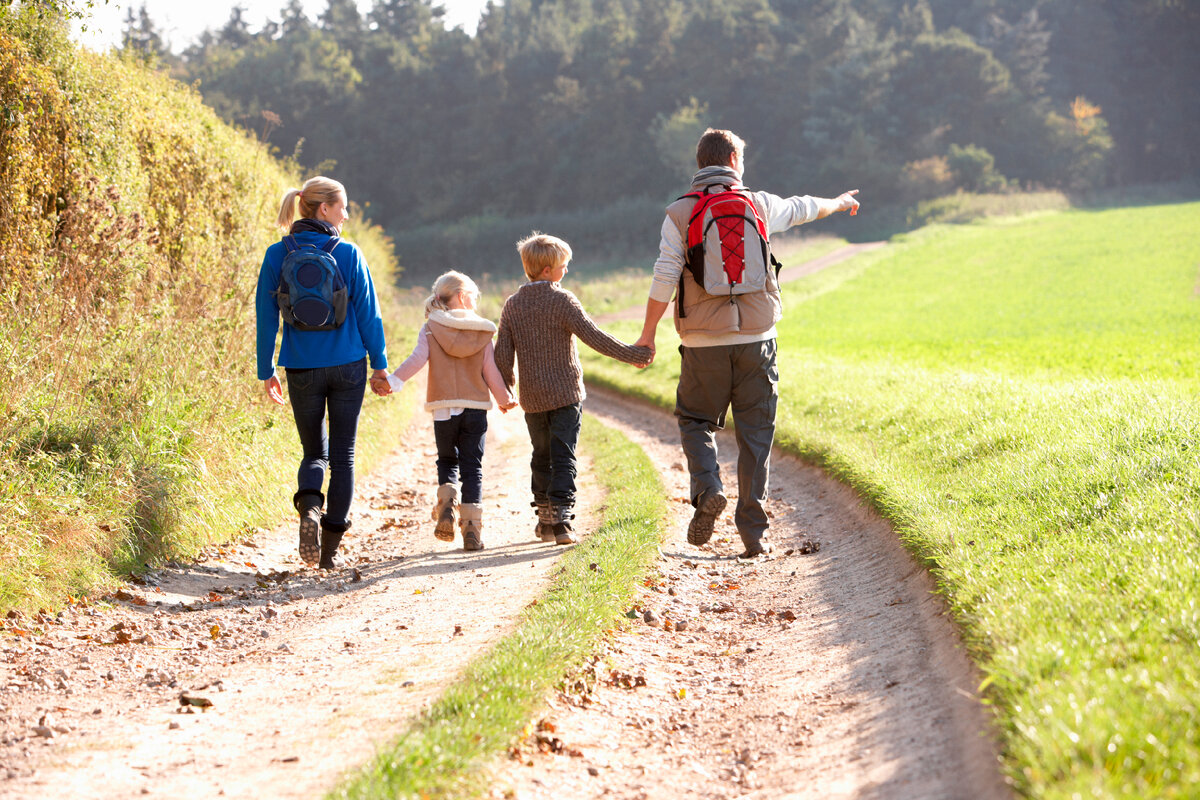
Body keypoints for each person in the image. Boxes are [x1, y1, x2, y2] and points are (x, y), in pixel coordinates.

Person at [634, 128, 860, 559]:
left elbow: (664, 275)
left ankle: (708, 490)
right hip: (759, 339)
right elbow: (804, 208)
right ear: (735, 160)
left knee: (696, 420)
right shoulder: (759, 203)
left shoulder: (679, 214)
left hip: (702, 342)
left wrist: (647, 336)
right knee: (756, 433)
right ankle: (753, 534)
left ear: (701, 163)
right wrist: (841, 202)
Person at [255, 176, 390, 570]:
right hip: (348, 365)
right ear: (324, 209)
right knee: (343, 455)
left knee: (315, 452)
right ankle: (329, 553)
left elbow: (266, 318)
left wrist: (267, 370)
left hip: (301, 366)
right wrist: (379, 365)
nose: (347, 214)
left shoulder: (276, 255)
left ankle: (310, 508)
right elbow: (369, 313)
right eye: (343, 206)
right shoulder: (348, 253)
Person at [495, 233, 652, 545]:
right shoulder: (562, 300)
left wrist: (506, 390)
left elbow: (502, 353)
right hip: (566, 394)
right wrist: (633, 355)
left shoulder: (512, 305)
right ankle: (564, 521)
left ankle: (544, 519)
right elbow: (595, 337)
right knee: (563, 454)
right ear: (546, 271)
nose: (566, 271)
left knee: (541, 455)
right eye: (563, 266)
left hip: (534, 398)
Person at [379, 270, 517, 551]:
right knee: (472, 467)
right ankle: (471, 530)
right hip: (475, 407)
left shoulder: (431, 327)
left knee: (447, 460)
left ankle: (447, 504)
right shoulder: (481, 330)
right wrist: (504, 398)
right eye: (474, 297)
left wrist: (393, 381)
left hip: (443, 407)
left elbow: (417, 359)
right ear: (464, 297)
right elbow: (489, 370)